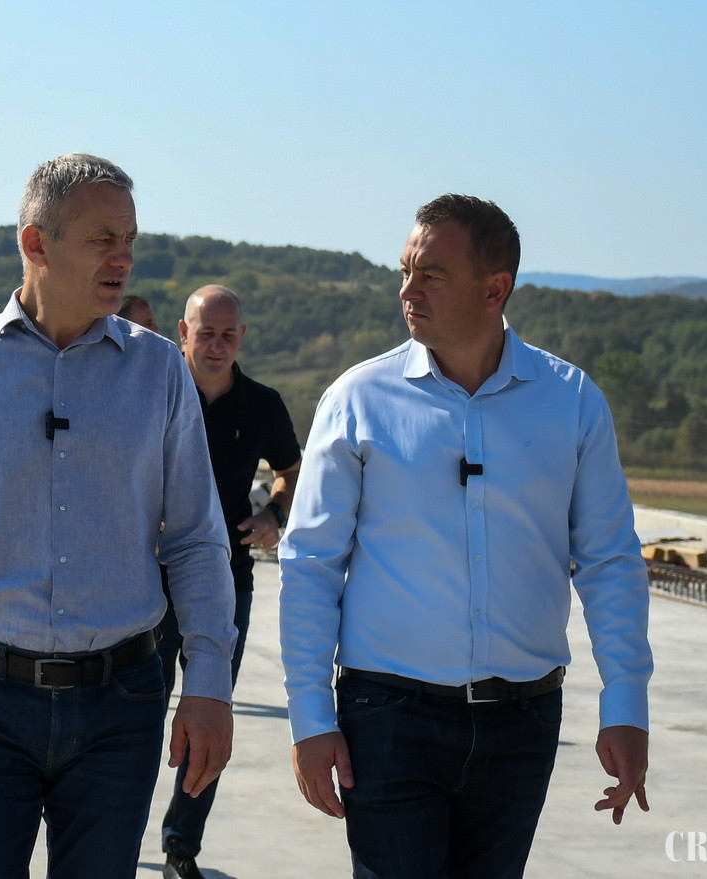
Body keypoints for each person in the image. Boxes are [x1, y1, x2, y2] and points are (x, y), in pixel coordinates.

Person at [0, 154, 238, 879]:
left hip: (122, 702)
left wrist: (209, 680)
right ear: (37, 243)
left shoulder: (159, 370)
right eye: (102, 239)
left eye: (130, 239)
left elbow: (195, 539)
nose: (123, 258)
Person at [279, 194, 653, 879]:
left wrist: (625, 701)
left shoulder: (571, 401)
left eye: (431, 275)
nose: (407, 290)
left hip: (524, 721)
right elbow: (310, 563)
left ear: (494, 288)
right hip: (387, 718)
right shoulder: (358, 400)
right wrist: (310, 716)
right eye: (405, 271)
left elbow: (610, 561)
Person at [159, 285, 301, 879]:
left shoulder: (262, 405)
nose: (216, 346)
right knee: (132, 717)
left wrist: (273, 515)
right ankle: (112, 837)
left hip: (226, 581)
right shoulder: (154, 391)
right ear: (183, 333)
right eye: (204, 334)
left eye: (227, 335)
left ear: (241, 337)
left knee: (209, 716)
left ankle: (180, 848)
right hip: (145, 581)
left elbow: (292, 469)